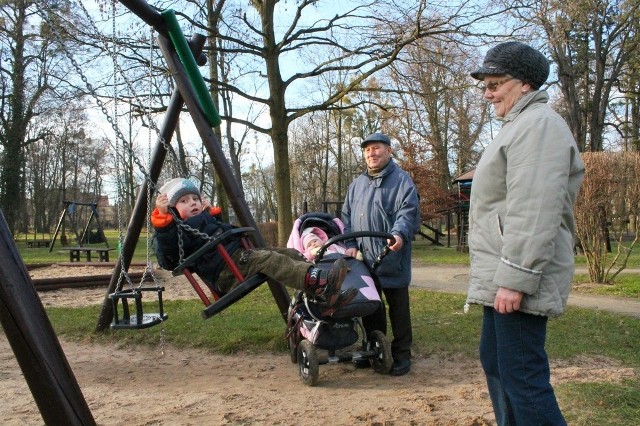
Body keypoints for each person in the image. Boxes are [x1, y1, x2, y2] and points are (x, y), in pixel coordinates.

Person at [466, 41, 585, 425]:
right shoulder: (518, 127)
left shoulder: (539, 126)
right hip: (504, 275)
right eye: (486, 84)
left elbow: (534, 208)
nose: (488, 93)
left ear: (526, 85)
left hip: (518, 277)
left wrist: (516, 279)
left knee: (523, 376)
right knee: (497, 362)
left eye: (496, 83)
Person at [151, 178, 356, 315]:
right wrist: (164, 221)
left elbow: (227, 230)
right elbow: (168, 258)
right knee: (267, 259)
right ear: (173, 211)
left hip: (240, 259)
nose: (193, 202)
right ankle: (321, 282)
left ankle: (322, 297)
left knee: (289, 253)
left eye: (195, 198)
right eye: (184, 201)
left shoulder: (207, 221)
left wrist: (213, 215)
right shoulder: (177, 231)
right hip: (226, 274)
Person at [342, 132, 420, 376]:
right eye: (367, 150)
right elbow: (346, 217)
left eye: (376, 149)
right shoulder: (357, 185)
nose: (371, 154)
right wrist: (351, 243)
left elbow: (407, 213)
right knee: (371, 309)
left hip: (391, 257)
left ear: (388, 151)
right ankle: (373, 351)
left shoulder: (401, 181)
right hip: (364, 262)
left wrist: (398, 235)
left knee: (398, 311)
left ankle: (402, 355)